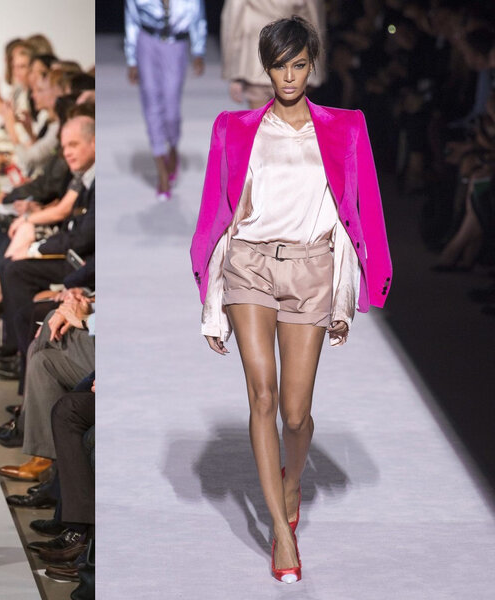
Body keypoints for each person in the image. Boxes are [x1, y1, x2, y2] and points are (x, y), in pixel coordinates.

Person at [190, 17, 392, 584]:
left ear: (312, 65)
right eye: (279, 66)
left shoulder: (346, 126)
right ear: (266, 67)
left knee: (296, 413)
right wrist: (208, 287)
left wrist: (376, 276)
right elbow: (214, 207)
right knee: (262, 394)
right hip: (250, 263)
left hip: (311, 267)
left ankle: (293, 479)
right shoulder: (233, 127)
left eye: (298, 65)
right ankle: (281, 531)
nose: (288, 76)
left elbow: (368, 204)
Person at [125, 0, 207, 201]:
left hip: (176, 45)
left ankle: (173, 147)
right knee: (151, 103)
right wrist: (132, 59)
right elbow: (131, 19)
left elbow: (198, 18)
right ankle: (161, 170)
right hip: (147, 43)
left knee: (172, 109)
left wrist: (198, 50)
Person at [221, 0, 325, 109]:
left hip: (255, 60)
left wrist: (233, 73)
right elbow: (314, 19)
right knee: (291, 116)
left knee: (259, 116)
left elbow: (232, 21)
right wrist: (318, 69)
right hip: (292, 55)